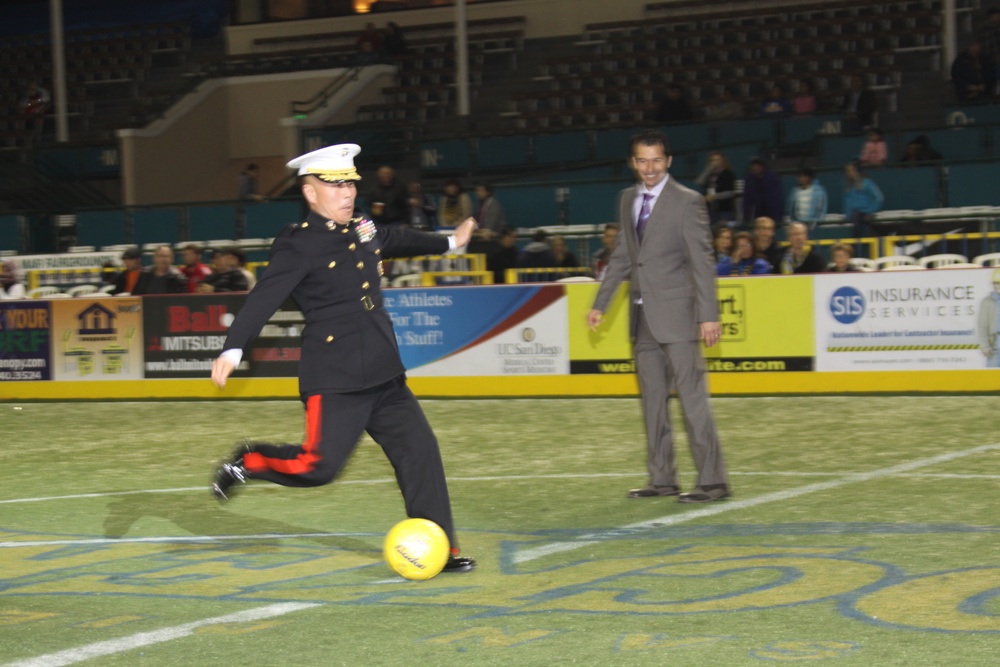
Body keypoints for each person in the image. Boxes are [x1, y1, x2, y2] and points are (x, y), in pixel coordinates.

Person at [208, 143, 478, 573]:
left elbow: (397, 238)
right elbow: (266, 295)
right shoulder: (298, 244)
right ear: (310, 192)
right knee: (318, 466)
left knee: (420, 450)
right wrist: (234, 346)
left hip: (384, 371)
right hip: (335, 376)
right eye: (334, 185)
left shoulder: (363, 228)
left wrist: (449, 241)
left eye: (350, 182)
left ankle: (439, 548)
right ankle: (250, 461)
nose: (347, 192)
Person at [587, 129, 730, 503]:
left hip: (680, 317)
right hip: (641, 317)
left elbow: (703, 260)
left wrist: (709, 315)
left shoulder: (688, 201)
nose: (649, 168)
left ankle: (714, 481)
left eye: (656, 160)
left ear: (668, 161)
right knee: (652, 402)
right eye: (642, 160)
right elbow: (622, 257)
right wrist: (600, 303)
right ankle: (662, 478)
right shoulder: (626, 199)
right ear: (633, 163)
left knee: (692, 399)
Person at [844, 161, 885, 240]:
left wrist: (871, 211)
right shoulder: (849, 186)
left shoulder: (867, 183)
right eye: (848, 171)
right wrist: (847, 215)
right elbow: (848, 202)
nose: (850, 173)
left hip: (865, 212)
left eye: (852, 170)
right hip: (855, 214)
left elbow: (879, 197)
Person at [696, 151, 738, 226]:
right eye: (713, 160)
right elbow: (698, 183)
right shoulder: (709, 175)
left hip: (725, 210)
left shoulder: (728, 174)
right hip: (710, 210)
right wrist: (707, 170)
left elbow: (731, 192)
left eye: (718, 160)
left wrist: (715, 196)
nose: (715, 162)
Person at [742, 157, 784, 224]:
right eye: (754, 165)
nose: (756, 167)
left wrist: (778, 218)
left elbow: (777, 199)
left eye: (758, 165)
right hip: (758, 212)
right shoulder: (749, 179)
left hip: (772, 212)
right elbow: (747, 200)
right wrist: (746, 218)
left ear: (763, 166)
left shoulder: (772, 177)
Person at [977, 268, 1000, 367]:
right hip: (994, 345)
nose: (998, 286)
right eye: (996, 283)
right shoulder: (987, 302)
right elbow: (982, 326)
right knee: (993, 377)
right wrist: (985, 345)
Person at [978, 8, 1000, 95]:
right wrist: (996, 57)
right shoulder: (985, 30)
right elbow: (987, 47)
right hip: (990, 61)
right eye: (997, 16)